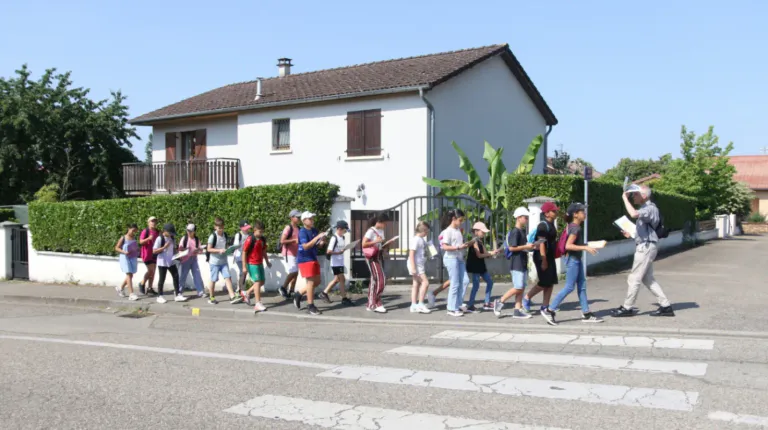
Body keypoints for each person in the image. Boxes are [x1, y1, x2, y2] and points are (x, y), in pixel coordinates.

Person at [612, 185, 675, 317]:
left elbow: (633, 214)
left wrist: (624, 198)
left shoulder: (650, 208)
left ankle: (627, 307)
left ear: (644, 196)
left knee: (634, 278)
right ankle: (666, 306)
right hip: (646, 245)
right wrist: (632, 234)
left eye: (636, 194)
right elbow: (646, 231)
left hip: (645, 247)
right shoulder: (647, 209)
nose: (633, 196)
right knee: (648, 279)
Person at [541, 203, 603, 325]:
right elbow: (568, 246)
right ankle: (550, 310)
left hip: (575, 259)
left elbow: (574, 244)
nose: (584, 213)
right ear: (575, 214)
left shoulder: (572, 226)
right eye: (582, 211)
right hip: (573, 260)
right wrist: (585, 248)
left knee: (582, 286)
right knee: (569, 287)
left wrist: (589, 245)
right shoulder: (575, 228)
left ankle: (586, 313)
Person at [494, 207, 535, 319]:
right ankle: (500, 301)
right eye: (525, 217)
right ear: (518, 218)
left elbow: (521, 247)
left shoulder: (522, 231)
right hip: (516, 263)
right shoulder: (515, 232)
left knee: (521, 288)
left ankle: (517, 310)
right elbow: (512, 248)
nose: (526, 219)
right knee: (518, 287)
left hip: (522, 262)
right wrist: (526, 246)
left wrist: (531, 247)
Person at [523, 202, 560, 313]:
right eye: (554, 211)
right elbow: (542, 243)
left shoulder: (551, 224)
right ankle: (526, 298)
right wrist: (544, 260)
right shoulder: (542, 226)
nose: (556, 212)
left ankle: (545, 306)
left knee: (550, 282)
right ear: (547, 213)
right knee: (544, 282)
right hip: (541, 257)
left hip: (549, 256)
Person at [294, 212, 327, 315]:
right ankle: (310, 306)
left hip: (313, 257)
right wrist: (317, 237)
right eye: (310, 219)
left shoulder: (314, 230)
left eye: (313, 218)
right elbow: (305, 246)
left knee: (317, 281)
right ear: (304, 221)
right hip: (305, 259)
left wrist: (322, 241)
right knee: (311, 283)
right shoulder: (302, 232)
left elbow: (318, 245)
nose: (312, 220)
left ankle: (299, 294)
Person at [440, 209, 470, 317]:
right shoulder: (448, 231)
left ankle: (457, 305)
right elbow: (444, 246)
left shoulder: (457, 230)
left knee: (465, 281)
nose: (461, 222)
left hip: (459, 258)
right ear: (454, 219)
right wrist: (458, 247)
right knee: (455, 283)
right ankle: (451, 308)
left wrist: (464, 245)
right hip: (451, 258)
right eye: (460, 220)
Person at [466, 221, 501, 312]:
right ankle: (470, 305)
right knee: (476, 286)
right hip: (475, 266)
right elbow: (479, 255)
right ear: (476, 231)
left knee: (490, 282)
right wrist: (490, 253)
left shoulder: (480, 241)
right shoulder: (474, 241)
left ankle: (486, 303)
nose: (484, 234)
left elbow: (485, 252)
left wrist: (493, 252)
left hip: (481, 266)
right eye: (483, 232)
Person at [206, 218, 241, 305]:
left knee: (228, 277)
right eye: (219, 228)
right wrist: (219, 250)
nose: (221, 230)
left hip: (224, 261)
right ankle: (211, 297)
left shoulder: (225, 235)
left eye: (222, 228)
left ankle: (232, 296)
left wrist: (230, 249)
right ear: (215, 227)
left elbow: (226, 246)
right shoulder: (212, 236)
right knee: (213, 279)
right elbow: (208, 249)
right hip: (214, 263)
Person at [319, 220, 354, 306]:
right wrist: (338, 252)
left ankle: (324, 293)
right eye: (345, 230)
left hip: (340, 262)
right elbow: (329, 251)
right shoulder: (334, 238)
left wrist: (343, 250)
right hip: (335, 263)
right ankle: (344, 298)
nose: (345, 232)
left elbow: (339, 249)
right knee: (342, 279)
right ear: (339, 229)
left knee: (336, 280)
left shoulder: (342, 237)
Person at [363, 212, 392, 313]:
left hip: (379, 256)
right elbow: (364, 244)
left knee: (375, 280)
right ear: (379, 222)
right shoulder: (371, 231)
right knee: (381, 279)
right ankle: (377, 302)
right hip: (372, 258)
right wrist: (375, 241)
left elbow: (381, 244)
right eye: (385, 223)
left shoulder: (381, 231)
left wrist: (386, 245)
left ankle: (371, 304)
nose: (386, 225)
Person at [241, 220, 271, 312]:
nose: (261, 233)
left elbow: (263, 251)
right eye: (260, 231)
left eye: (262, 232)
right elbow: (244, 252)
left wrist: (267, 261)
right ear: (254, 230)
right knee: (257, 282)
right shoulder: (250, 239)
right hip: (252, 264)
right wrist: (244, 267)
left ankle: (247, 293)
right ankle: (258, 303)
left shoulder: (262, 239)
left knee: (262, 282)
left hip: (259, 263)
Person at [153, 223, 185, 303]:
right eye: (170, 232)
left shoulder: (172, 238)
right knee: (162, 279)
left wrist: (178, 254)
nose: (171, 234)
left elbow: (173, 249)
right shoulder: (159, 239)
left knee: (176, 276)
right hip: (162, 262)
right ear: (165, 231)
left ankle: (177, 294)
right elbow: (154, 251)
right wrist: (164, 247)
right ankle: (160, 296)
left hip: (171, 261)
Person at [407, 221, 432, 314]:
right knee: (425, 283)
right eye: (427, 231)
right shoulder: (416, 239)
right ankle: (420, 304)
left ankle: (413, 305)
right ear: (423, 231)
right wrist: (413, 267)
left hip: (418, 265)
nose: (427, 233)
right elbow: (411, 253)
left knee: (416, 284)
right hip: (416, 265)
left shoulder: (420, 239)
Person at [278, 210, 302, 298]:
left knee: (296, 273)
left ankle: (291, 291)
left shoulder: (299, 228)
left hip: (296, 253)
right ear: (291, 218)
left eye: (299, 217)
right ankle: (283, 287)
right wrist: (294, 240)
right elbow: (282, 241)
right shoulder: (288, 228)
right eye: (297, 217)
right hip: (288, 253)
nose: (299, 218)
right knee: (294, 271)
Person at [178, 224, 205, 298]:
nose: (188, 232)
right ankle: (179, 292)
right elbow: (180, 249)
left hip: (194, 259)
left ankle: (200, 291)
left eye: (190, 231)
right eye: (188, 230)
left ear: (194, 231)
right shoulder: (184, 238)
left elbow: (200, 251)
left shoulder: (196, 239)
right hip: (185, 259)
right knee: (183, 276)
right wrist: (186, 249)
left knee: (197, 275)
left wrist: (198, 250)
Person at [114, 223, 139, 301]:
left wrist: (137, 250)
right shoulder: (123, 238)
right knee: (128, 274)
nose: (133, 232)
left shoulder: (134, 238)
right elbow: (116, 248)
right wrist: (124, 252)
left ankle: (120, 288)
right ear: (129, 228)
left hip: (132, 257)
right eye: (133, 230)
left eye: (135, 231)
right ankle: (131, 294)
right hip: (124, 258)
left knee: (131, 275)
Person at [138, 216, 160, 296]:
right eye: (152, 221)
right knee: (150, 271)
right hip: (146, 254)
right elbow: (140, 242)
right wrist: (148, 239)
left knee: (153, 272)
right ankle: (142, 283)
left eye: (155, 221)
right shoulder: (145, 231)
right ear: (148, 222)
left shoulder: (157, 231)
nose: (154, 223)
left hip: (155, 253)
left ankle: (150, 288)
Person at [232, 220, 252, 294]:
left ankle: (240, 287)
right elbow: (235, 245)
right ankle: (241, 290)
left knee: (245, 272)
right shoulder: (238, 235)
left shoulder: (249, 235)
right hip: (238, 256)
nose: (247, 229)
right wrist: (239, 245)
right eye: (245, 228)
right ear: (241, 228)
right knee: (242, 271)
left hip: (246, 256)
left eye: (247, 228)